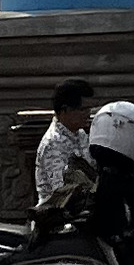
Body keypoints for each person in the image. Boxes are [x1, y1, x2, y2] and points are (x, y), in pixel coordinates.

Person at [35, 78, 101, 213]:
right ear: (65, 110)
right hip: (57, 216)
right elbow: (62, 191)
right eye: (83, 109)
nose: (88, 114)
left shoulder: (80, 134)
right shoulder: (53, 143)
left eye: (89, 108)